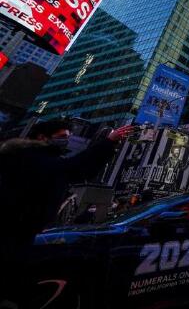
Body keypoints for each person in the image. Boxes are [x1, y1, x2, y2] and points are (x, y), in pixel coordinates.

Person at [0, 120, 134, 303]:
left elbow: (76, 170)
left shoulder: (27, 157)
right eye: (62, 137)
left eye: (68, 137)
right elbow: (74, 168)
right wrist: (109, 142)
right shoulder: (30, 159)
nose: (66, 141)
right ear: (42, 137)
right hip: (11, 232)